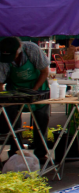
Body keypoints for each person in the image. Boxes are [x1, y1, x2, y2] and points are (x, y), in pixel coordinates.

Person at [0, 37, 50, 167]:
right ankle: (16, 153)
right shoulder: (3, 56)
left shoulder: (32, 49)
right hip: (15, 89)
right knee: (12, 120)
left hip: (37, 86)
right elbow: (0, 81)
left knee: (41, 118)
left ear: (19, 50)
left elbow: (45, 72)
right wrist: (3, 99)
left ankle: (41, 154)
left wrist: (33, 91)